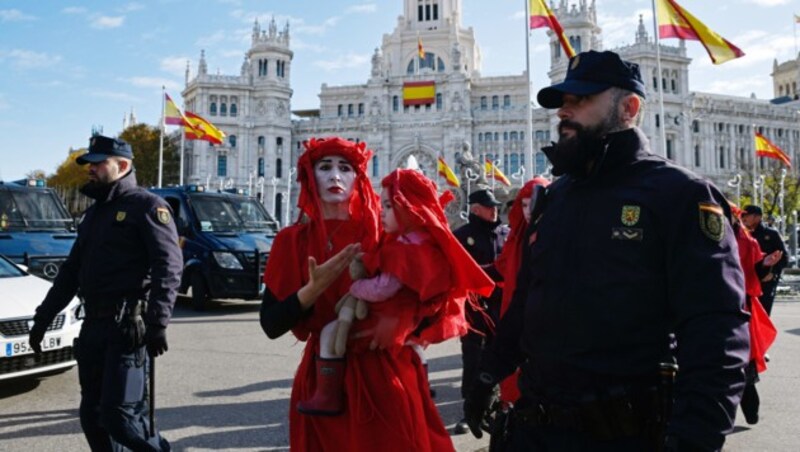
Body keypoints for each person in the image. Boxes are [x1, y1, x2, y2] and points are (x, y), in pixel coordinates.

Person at [463, 50, 750, 451]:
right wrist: (488, 373)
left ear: (628, 107)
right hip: (535, 430)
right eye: (563, 102)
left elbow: (716, 328)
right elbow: (528, 299)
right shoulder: (557, 196)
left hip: (624, 434)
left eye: (580, 100)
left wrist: (697, 435)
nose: (564, 112)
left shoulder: (678, 193)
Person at [259, 138, 458, 451]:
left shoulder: (383, 232)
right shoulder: (291, 240)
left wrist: (401, 323)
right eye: (325, 167)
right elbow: (270, 324)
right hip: (326, 383)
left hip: (386, 372)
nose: (335, 175)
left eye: (345, 168)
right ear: (310, 177)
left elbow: (434, 290)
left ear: (358, 178)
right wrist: (311, 291)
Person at [28, 135, 183, 451]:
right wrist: (43, 317)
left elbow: (169, 265)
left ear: (122, 165)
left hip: (127, 328)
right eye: (89, 163)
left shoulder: (147, 207)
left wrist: (158, 322)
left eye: (98, 163)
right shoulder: (94, 215)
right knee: (92, 416)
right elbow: (70, 273)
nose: (90, 169)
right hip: (94, 328)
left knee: (121, 419)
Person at [453, 187, 505, 434]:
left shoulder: (504, 234)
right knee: (472, 358)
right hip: (472, 308)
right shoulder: (462, 235)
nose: (495, 210)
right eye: (489, 206)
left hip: (498, 305)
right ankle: (468, 410)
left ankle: (495, 406)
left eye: (495, 205)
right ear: (475, 209)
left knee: (499, 355)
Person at [493, 177, 549, 405]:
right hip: (518, 318)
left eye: (532, 204)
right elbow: (500, 268)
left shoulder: (555, 234)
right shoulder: (517, 237)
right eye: (523, 205)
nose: (528, 211)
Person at [729, 204, 779, 426]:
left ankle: (750, 410)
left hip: (739, 306)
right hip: (711, 307)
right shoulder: (704, 237)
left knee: (743, 362)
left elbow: (754, 269)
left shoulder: (747, 241)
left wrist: (765, 265)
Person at [741, 205, 788, 315]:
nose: (744, 218)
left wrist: (773, 273)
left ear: (758, 217)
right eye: (743, 215)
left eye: (747, 215)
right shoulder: (744, 234)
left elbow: (784, 257)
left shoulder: (771, 234)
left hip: (766, 281)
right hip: (748, 280)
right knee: (747, 314)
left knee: (763, 313)